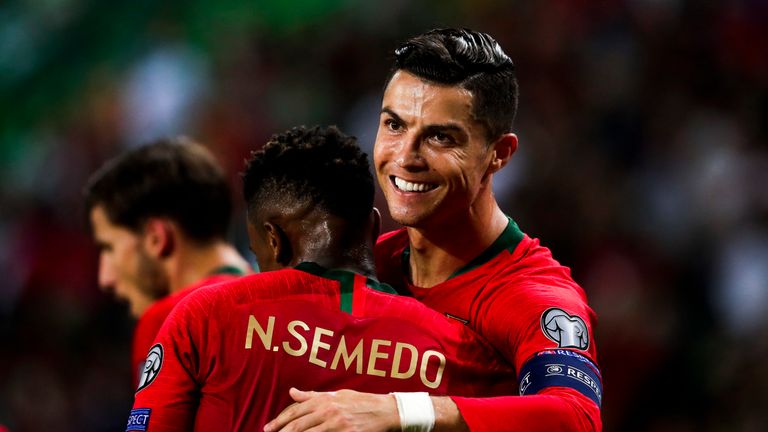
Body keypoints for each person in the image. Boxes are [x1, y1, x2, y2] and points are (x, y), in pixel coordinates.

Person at [265, 28, 602, 432]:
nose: (405, 157)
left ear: (499, 155)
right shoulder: (365, 267)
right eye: (393, 125)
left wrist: (402, 412)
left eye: (440, 137)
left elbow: (575, 417)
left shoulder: (532, 298)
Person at [127, 125, 519, 431]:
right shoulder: (462, 351)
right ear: (373, 226)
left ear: (273, 240)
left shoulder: (205, 316)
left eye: (256, 252)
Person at [84, 137, 250, 388]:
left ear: (155, 238)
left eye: (110, 247)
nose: (105, 278)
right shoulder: (283, 316)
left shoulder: (168, 322)